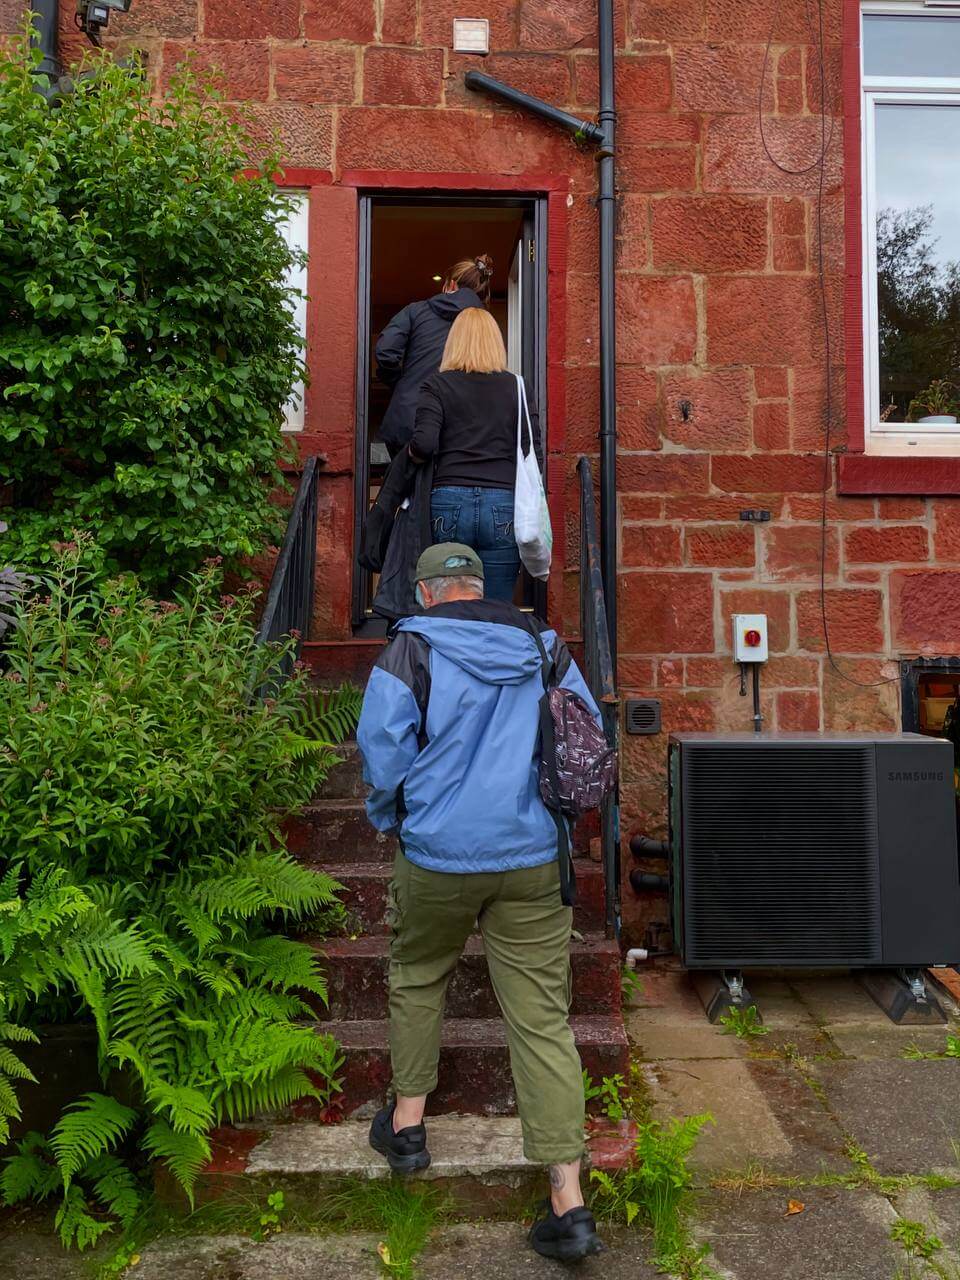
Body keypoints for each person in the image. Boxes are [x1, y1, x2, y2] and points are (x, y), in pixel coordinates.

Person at [356, 543, 604, 1264]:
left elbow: (382, 752)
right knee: (541, 1020)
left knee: (419, 974)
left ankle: (407, 1129)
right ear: (477, 588)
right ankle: (569, 1200)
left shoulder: (410, 649)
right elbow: (586, 732)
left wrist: (390, 816)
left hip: (436, 853)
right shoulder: (543, 643)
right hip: (530, 854)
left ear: (430, 593)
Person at [409, 307, 542, 604]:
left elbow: (424, 444)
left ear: (453, 341)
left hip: (449, 500)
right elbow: (532, 451)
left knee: (450, 599)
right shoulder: (517, 387)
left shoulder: (437, 385)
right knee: (496, 604)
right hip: (503, 503)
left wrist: (408, 454)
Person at [375, 255, 494, 456]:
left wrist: (403, 384)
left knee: (404, 484)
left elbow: (385, 351)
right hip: (461, 426)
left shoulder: (417, 311)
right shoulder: (485, 323)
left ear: (451, 284)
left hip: (409, 417)